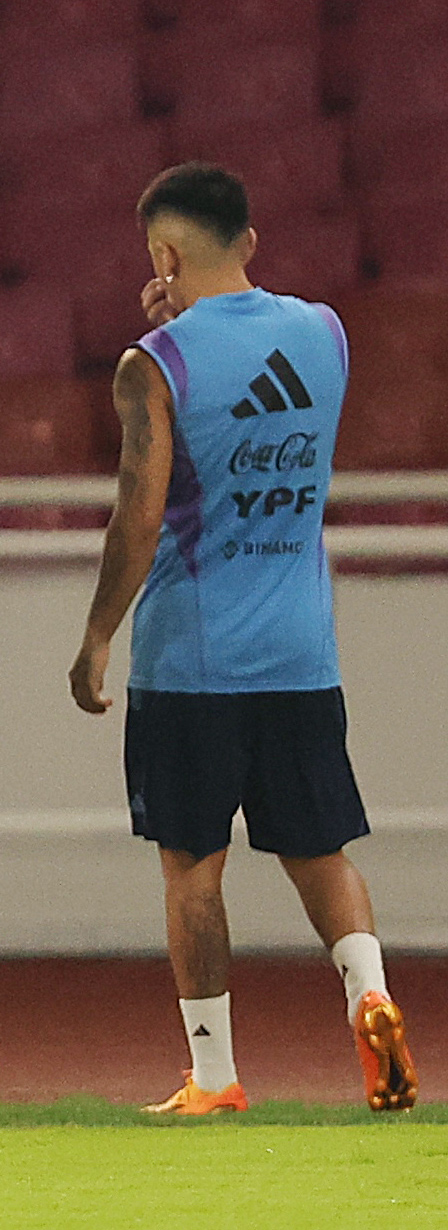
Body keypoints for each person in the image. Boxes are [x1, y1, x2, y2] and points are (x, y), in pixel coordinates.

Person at [68, 162, 417, 1117]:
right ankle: (372, 993)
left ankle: (215, 1075)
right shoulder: (325, 334)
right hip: (303, 654)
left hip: (193, 661)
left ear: (163, 256)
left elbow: (141, 514)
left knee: (193, 868)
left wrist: (98, 634)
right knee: (322, 852)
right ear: (251, 242)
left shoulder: (155, 364)